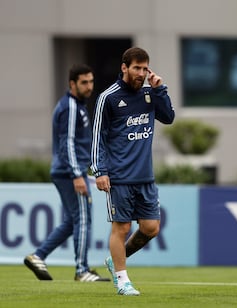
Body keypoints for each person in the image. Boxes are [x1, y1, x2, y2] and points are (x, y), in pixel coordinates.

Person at [91, 47, 175, 296]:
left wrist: (160, 89)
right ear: (124, 68)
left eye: (144, 68)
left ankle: (115, 260)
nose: (141, 73)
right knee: (122, 228)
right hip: (119, 177)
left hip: (145, 176)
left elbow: (169, 118)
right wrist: (99, 171)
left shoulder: (150, 93)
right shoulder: (109, 97)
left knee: (151, 228)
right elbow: (98, 137)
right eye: (136, 68)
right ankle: (122, 279)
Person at [24, 64, 110, 282]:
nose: (89, 86)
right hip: (69, 172)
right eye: (84, 82)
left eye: (91, 81)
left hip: (66, 171)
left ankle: (38, 256)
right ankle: (82, 270)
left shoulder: (76, 105)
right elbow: (68, 143)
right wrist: (77, 174)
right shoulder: (71, 107)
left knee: (73, 220)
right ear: (72, 84)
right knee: (83, 219)